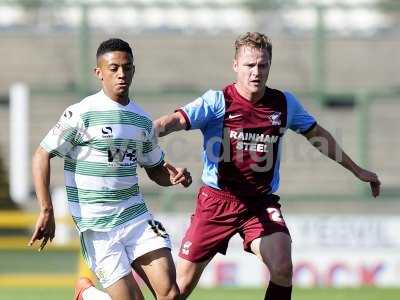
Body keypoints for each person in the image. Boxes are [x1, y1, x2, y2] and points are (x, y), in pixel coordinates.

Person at [154, 32, 381, 300]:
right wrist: (146, 131)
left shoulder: (284, 104)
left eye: (262, 65)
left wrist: (357, 170)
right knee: (174, 293)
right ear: (235, 65)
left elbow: (319, 137)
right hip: (216, 203)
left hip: (260, 203)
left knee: (283, 268)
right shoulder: (217, 101)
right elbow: (173, 121)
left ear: (269, 66)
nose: (256, 72)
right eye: (249, 65)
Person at [29, 38, 192, 300]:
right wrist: (46, 209)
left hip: (135, 217)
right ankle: (89, 295)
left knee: (171, 294)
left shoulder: (141, 121)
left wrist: (172, 177)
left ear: (134, 70)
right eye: (113, 68)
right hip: (97, 226)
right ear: (99, 73)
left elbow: (155, 169)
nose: (121, 74)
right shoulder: (82, 113)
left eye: (126, 68)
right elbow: (41, 155)